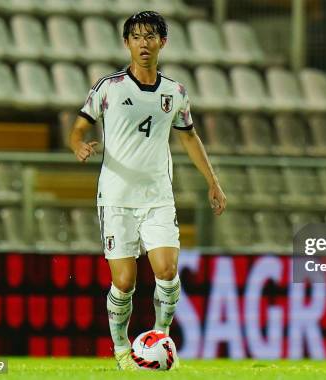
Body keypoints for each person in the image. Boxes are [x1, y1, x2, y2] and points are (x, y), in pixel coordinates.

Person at [69, 11, 226, 370]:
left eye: (150, 36)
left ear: (162, 43)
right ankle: (123, 349)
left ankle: (160, 337)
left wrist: (212, 181)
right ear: (127, 43)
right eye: (137, 37)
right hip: (116, 197)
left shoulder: (175, 92)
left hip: (157, 196)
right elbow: (78, 128)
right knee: (124, 283)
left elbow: (190, 138)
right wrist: (77, 145)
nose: (144, 43)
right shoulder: (108, 88)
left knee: (167, 271)